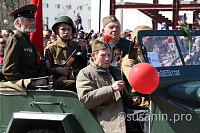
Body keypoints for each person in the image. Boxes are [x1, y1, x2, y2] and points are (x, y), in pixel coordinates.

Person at [76, 37, 149, 133]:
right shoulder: (85, 73)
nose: (107, 59)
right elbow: (86, 100)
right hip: (109, 117)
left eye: (109, 55)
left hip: (124, 112)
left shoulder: (115, 71)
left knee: (152, 118)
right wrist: (111, 89)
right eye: (103, 55)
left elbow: (124, 94)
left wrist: (134, 98)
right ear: (94, 56)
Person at [1, 4, 48, 92]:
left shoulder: (27, 41)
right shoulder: (15, 40)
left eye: (33, 20)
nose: (33, 23)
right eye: (29, 20)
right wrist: (30, 82)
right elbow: (8, 70)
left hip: (36, 82)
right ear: (17, 23)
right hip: (26, 88)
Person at [44, 16, 87, 91]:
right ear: (57, 31)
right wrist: (57, 70)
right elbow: (45, 70)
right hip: (59, 84)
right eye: (63, 29)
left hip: (77, 80)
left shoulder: (77, 46)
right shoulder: (50, 49)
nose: (66, 32)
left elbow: (84, 65)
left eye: (69, 29)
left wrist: (83, 50)